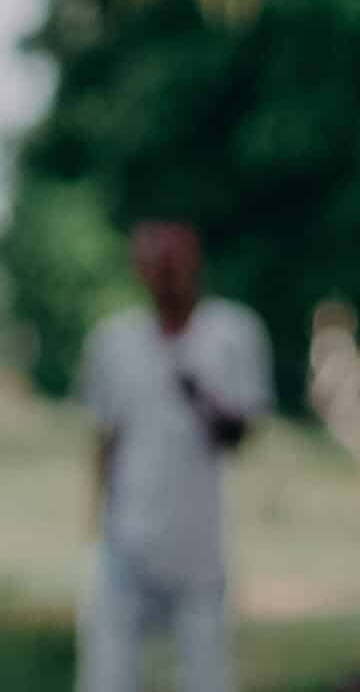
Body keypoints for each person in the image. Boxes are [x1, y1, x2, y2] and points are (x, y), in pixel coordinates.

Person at [76, 220, 273, 692]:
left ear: (194, 266)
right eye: (154, 264)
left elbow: (240, 434)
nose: (164, 276)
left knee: (205, 674)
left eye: (173, 264)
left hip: (199, 541)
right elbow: (105, 437)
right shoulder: (113, 341)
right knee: (108, 674)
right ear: (139, 271)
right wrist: (93, 524)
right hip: (125, 537)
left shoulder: (233, 333)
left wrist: (200, 395)